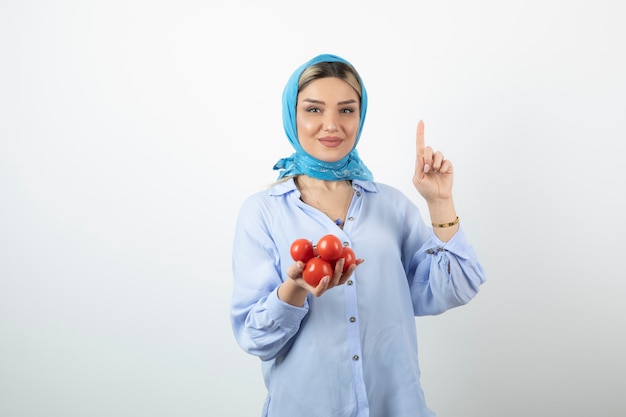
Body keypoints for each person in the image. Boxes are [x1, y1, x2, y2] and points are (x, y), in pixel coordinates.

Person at [230, 53, 486, 417]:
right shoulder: (262, 212)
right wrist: (296, 288)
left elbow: (457, 287)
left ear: (360, 117)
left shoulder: (392, 206)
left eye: (346, 110)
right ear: (292, 114)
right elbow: (256, 338)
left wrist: (440, 202)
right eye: (314, 110)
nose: (331, 125)